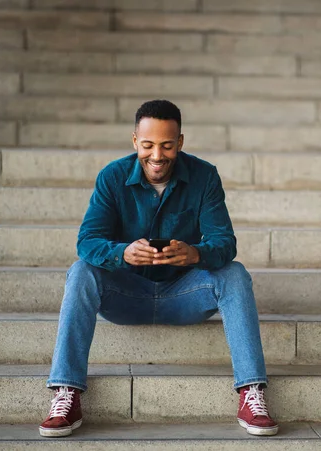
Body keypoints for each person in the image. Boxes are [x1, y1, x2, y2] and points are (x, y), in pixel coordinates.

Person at [39, 99, 278, 438]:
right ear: (135, 140)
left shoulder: (204, 176)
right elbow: (87, 242)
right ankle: (66, 392)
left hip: (185, 296)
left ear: (180, 142)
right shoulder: (112, 176)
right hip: (127, 295)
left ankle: (252, 392)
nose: (157, 156)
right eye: (148, 145)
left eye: (167, 145)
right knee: (81, 270)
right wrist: (123, 254)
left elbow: (225, 242)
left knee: (234, 273)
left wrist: (195, 254)